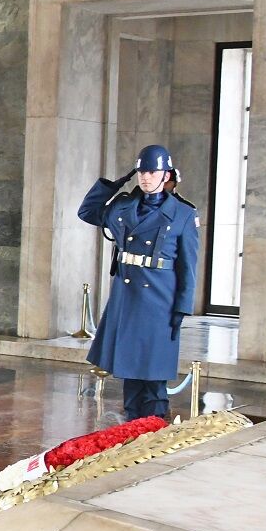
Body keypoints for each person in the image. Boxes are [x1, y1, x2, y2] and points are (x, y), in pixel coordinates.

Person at [78, 144, 201, 422]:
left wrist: (182, 306)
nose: (146, 177)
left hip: (160, 298)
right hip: (127, 297)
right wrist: (117, 183)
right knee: (130, 370)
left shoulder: (182, 214)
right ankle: (132, 425)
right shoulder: (122, 206)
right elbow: (87, 212)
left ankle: (154, 427)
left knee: (154, 373)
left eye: (153, 171)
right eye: (142, 171)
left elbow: (188, 265)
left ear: (166, 174)